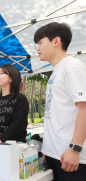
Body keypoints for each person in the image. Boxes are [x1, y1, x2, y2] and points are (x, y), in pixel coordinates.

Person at [34, 22, 86, 181]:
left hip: (71, 156)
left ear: (56, 41)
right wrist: (47, 147)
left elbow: (84, 108)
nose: (37, 48)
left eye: (40, 42)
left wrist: (75, 149)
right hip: (54, 154)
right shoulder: (57, 70)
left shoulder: (72, 66)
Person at [0, 64, 29, 143]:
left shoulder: (20, 99)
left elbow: (18, 125)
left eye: (1, 73)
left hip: (15, 146)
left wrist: (2, 139)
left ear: (11, 78)